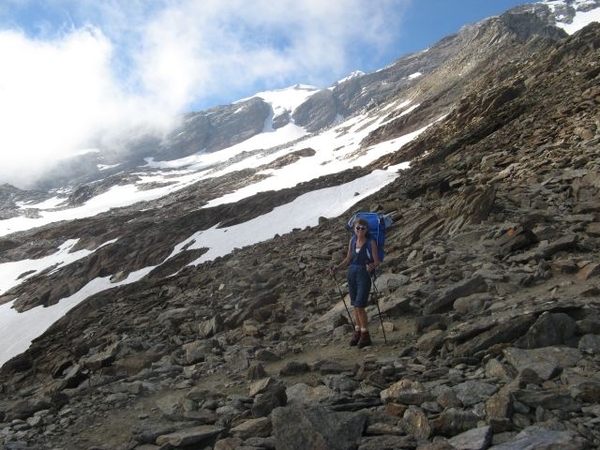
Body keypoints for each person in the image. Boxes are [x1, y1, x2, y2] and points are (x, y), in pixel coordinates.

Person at [330, 217, 379, 348]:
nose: (360, 230)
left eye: (362, 228)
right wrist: (337, 268)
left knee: (360, 306)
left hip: (364, 274)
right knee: (355, 305)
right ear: (354, 228)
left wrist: (372, 266)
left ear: (366, 230)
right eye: (357, 228)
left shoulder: (371, 242)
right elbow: (348, 259)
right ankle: (358, 332)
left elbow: (377, 261)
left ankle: (365, 334)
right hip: (352, 273)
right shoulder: (352, 241)